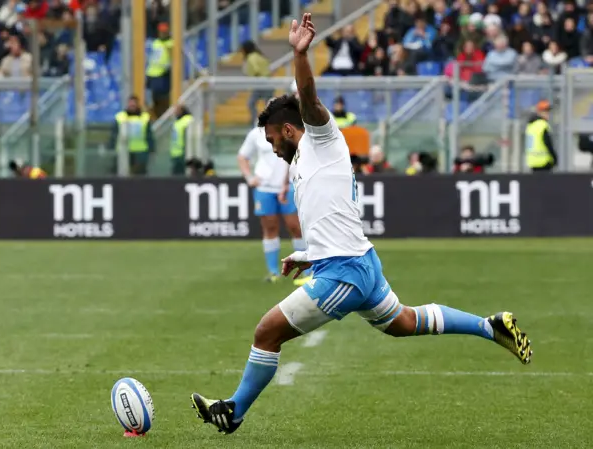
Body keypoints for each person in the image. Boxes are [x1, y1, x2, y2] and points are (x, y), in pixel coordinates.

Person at [191, 13, 533, 435]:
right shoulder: (303, 161)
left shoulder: (322, 137)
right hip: (359, 262)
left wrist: (300, 55)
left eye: (272, 139)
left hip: (344, 273)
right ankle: (490, 325)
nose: (271, 148)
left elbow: (310, 97)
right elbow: (328, 216)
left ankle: (234, 411)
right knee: (403, 322)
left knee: (266, 332)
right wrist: (307, 255)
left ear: (287, 130)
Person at [237, 108, 311, 285]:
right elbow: (242, 156)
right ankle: (273, 272)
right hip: (264, 187)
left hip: (289, 186)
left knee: (295, 226)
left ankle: (306, 273)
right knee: (269, 227)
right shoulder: (256, 134)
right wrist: (249, 177)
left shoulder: (288, 131)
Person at [110, 95, 154, 176]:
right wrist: (111, 146)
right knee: (120, 172)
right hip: (123, 149)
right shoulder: (120, 116)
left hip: (140, 150)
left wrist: (151, 148)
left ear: (137, 105)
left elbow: (149, 134)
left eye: (134, 104)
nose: (132, 106)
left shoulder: (144, 117)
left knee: (140, 173)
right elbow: (114, 133)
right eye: (130, 104)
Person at [525, 100, 557, 172]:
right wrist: (554, 157)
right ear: (539, 112)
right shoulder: (543, 125)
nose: (547, 114)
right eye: (545, 111)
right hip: (544, 163)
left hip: (532, 162)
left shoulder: (530, 125)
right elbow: (548, 143)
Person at [171, 105, 194, 175]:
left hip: (183, 153)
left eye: (177, 110)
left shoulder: (187, 120)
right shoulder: (177, 121)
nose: (175, 112)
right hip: (176, 153)